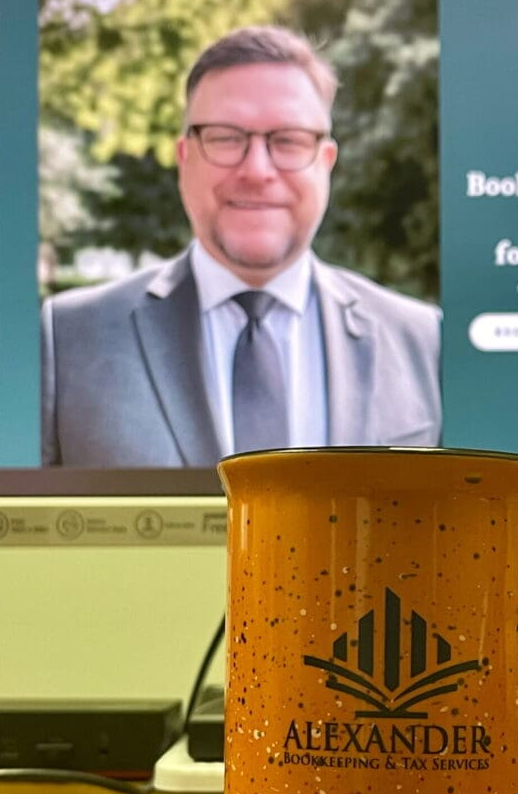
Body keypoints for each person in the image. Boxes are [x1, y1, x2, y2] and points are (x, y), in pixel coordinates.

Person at [41, 26, 442, 466]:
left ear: (325, 163)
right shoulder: (66, 339)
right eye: (226, 138)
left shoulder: (423, 341)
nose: (256, 170)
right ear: (184, 159)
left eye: (288, 140)